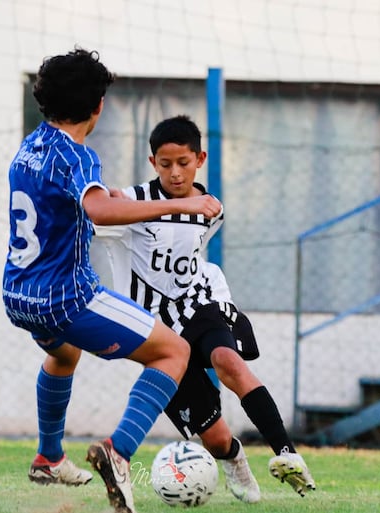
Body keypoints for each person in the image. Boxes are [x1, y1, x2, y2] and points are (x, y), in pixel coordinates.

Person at [1, 49, 222, 513]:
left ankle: (49, 457)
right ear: (97, 105)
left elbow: (75, 207)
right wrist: (179, 205)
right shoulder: (78, 155)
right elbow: (97, 209)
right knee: (173, 351)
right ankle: (118, 453)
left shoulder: (30, 145)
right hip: (65, 298)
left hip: (18, 293)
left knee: (63, 355)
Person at [113, 114, 317, 498]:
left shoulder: (211, 207)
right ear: (152, 163)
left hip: (198, 306)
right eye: (165, 164)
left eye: (184, 163)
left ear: (200, 158)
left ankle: (288, 454)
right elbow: (106, 204)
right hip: (156, 330)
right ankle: (234, 458)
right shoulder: (135, 200)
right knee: (216, 437)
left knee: (229, 360)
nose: (175, 173)